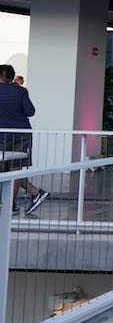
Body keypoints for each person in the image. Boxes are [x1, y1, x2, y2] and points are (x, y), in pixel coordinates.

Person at [0, 64, 48, 215]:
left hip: (2, 135)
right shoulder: (20, 91)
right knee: (15, 169)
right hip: (21, 134)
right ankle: (13, 204)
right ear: (11, 77)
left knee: (8, 170)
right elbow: (30, 111)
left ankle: (11, 205)